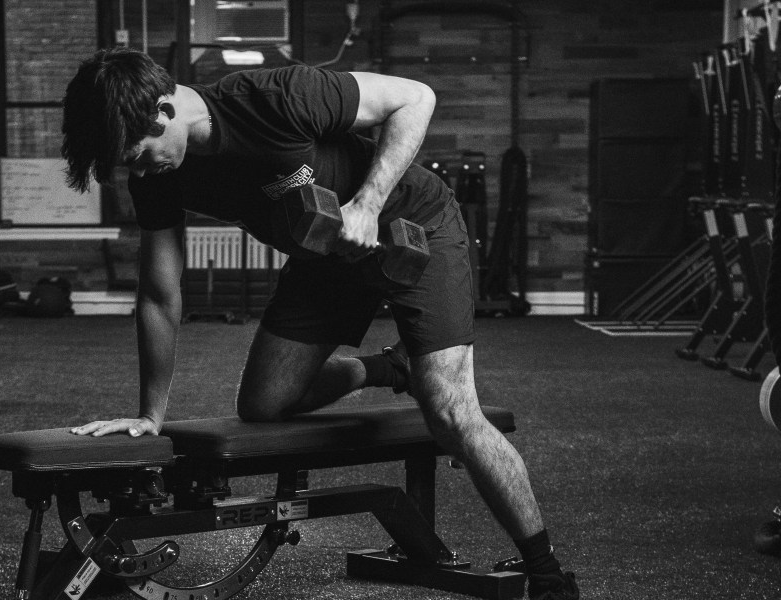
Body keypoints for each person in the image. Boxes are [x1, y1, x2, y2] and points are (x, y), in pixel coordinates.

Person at [60, 47, 579, 600]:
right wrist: (150, 415)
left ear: (163, 110)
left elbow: (415, 98)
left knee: (450, 410)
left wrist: (368, 203)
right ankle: (390, 366)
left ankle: (546, 568)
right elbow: (160, 294)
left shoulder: (276, 98)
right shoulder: (160, 176)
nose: (140, 170)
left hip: (414, 227)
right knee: (264, 404)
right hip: (325, 256)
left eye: (139, 155)